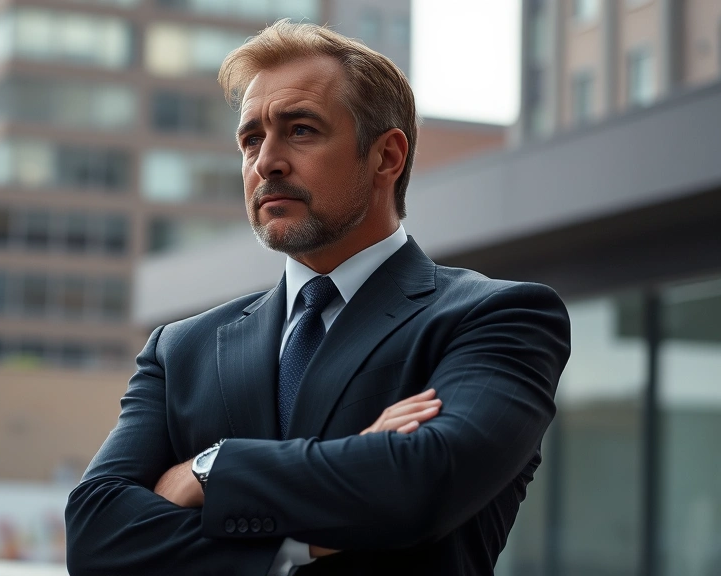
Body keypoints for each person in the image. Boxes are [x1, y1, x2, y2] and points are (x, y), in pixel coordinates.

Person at [65, 20, 570, 576]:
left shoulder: (496, 317)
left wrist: (209, 469)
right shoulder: (180, 348)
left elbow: (425, 480)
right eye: (251, 139)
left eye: (300, 130)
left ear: (386, 157)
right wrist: (302, 537)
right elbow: (96, 534)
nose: (266, 163)